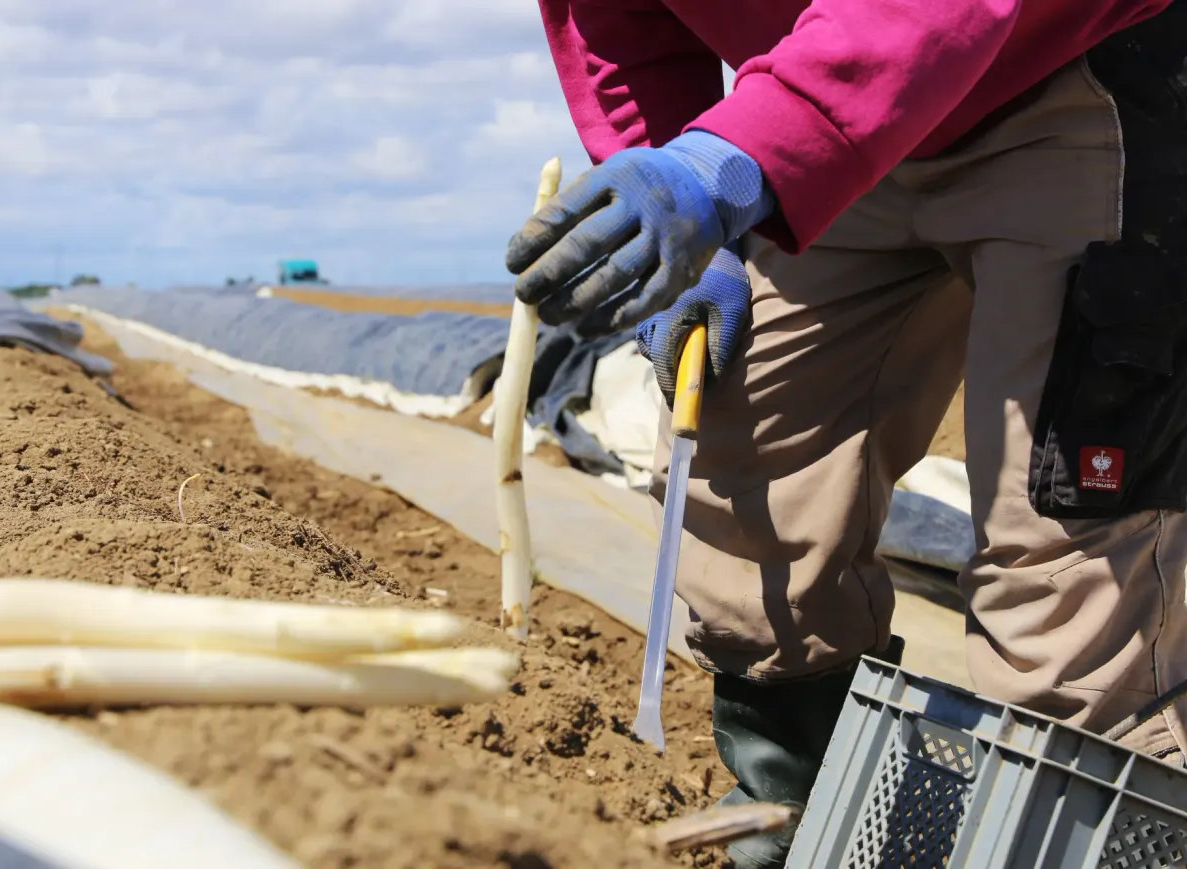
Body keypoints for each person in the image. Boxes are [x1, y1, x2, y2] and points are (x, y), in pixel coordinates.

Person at [505, 1, 1187, 865]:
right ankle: (818, 831)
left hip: (1070, 70)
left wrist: (729, 159)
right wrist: (682, 188)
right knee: (749, 466)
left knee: (1067, 560)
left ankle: (1110, 839)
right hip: (831, 112)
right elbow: (619, 27)